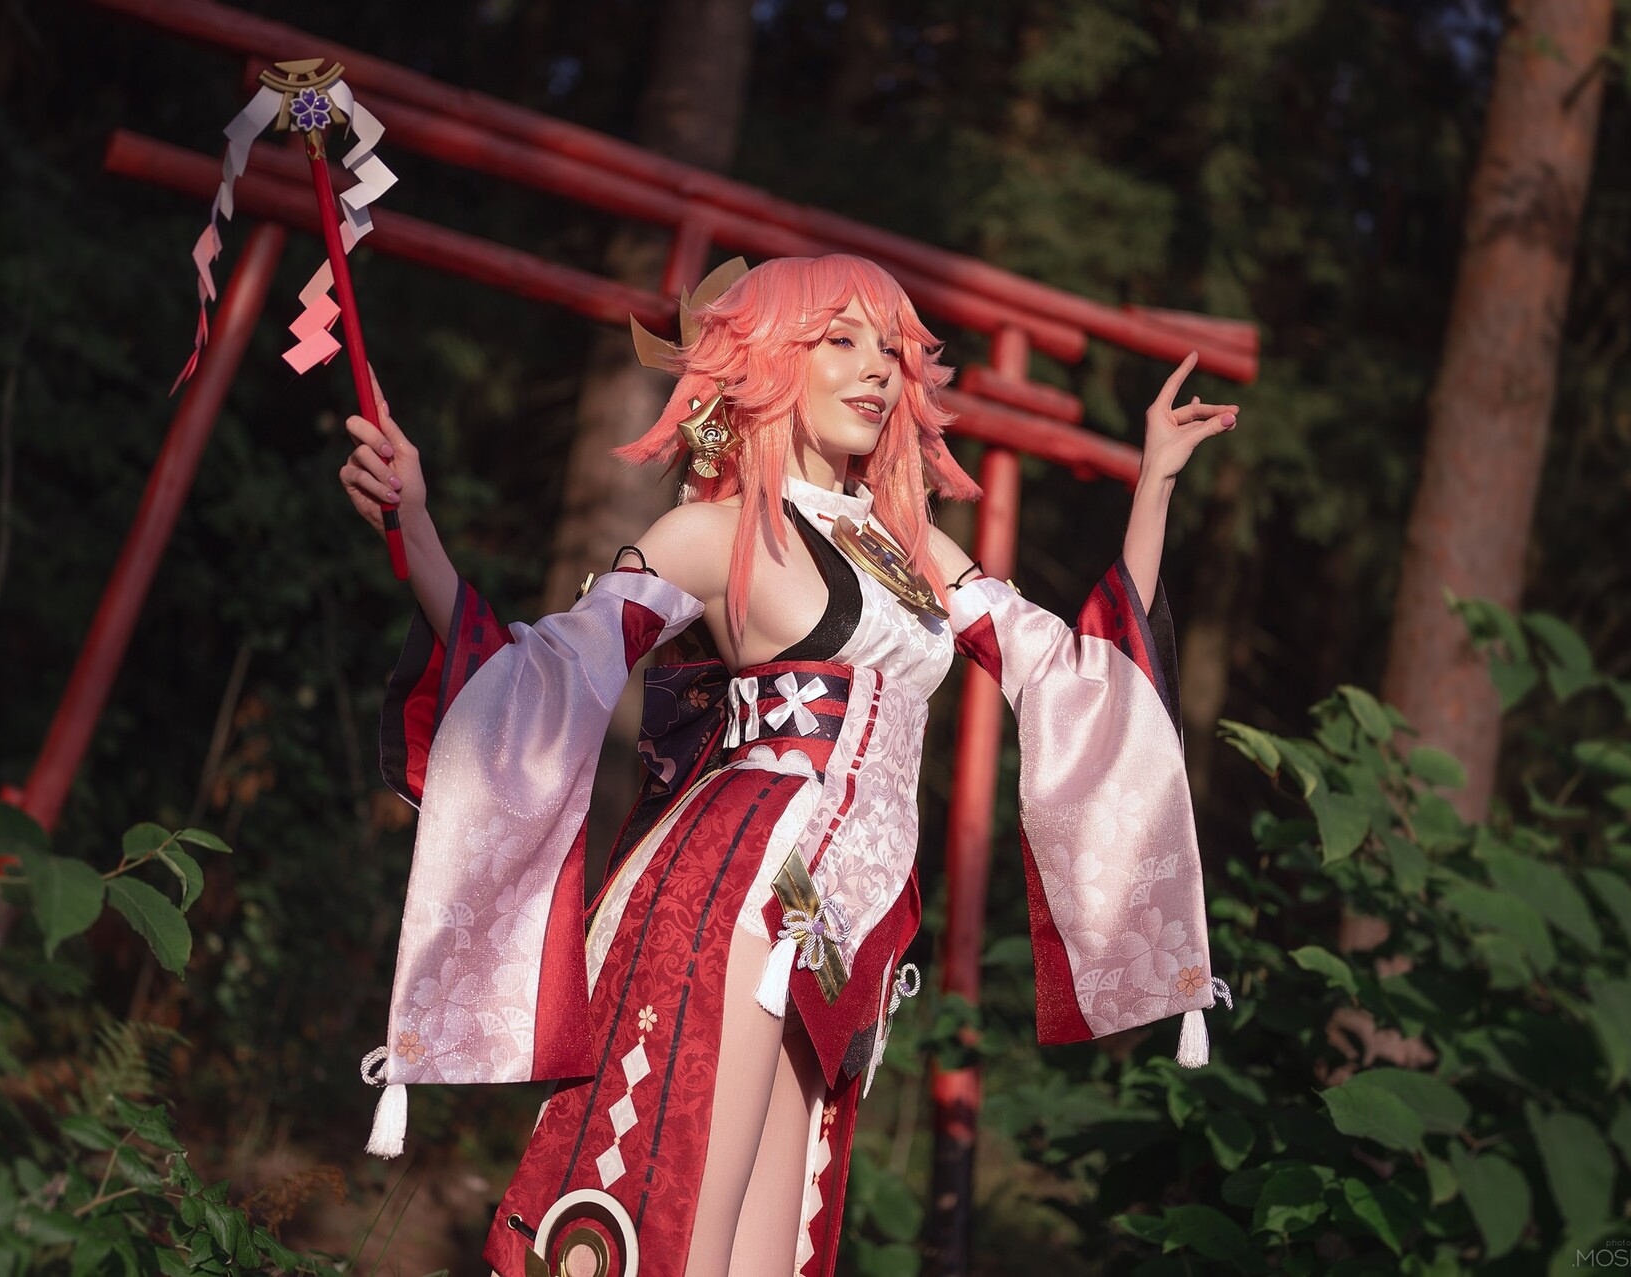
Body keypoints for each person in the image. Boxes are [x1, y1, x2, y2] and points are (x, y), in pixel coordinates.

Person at [338, 255, 1237, 1277]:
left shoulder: (915, 550)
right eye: (840, 341)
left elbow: (1076, 675)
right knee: (680, 1232)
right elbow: (540, 674)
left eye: (890, 348)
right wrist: (414, 524)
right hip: (733, 891)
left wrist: (1154, 486)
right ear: (767, 362)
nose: (879, 369)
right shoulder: (708, 533)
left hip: (844, 924)